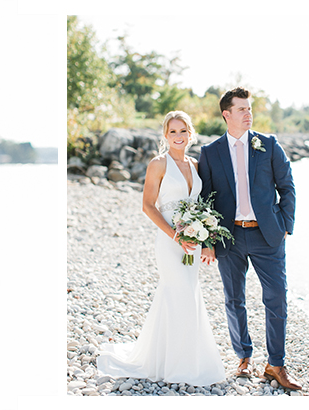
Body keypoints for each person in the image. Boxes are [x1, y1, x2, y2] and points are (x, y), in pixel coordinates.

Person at [94, 111, 226, 386]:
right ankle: (172, 365)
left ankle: (189, 359)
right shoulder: (158, 164)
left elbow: (202, 205)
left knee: (189, 294)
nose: (178, 136)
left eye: (183, 131)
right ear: (165, 136)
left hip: (193, 239)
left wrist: (206, 239)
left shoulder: (195, 164)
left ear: (191, 133)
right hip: (170, 240)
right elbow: (148, 206)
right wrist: (175, 235)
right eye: (172, 132)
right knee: (176, 291)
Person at [198, 87, 300, 390]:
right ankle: (243, 357)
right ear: (226, 114)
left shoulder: (268, 145)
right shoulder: (210, 151)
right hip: (229, 238)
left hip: (267, 235)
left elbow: (288, 187)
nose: (248, 114)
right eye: (241, 109)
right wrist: (208, 241)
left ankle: (276, 364)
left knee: (277, 298)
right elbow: (206, 198)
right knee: (234, 300)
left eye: (249, 108)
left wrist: (284, 226)